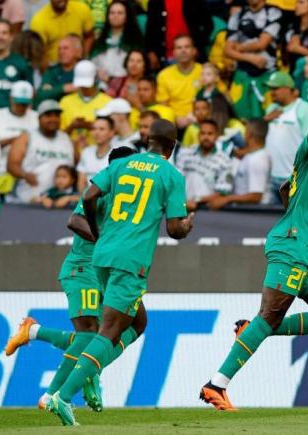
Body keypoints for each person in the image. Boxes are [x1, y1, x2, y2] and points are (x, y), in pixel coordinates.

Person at [199, 85, 308, 412]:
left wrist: (292, 205)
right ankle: (215, 385)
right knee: (270, 316)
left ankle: (254, 330)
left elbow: (283, 187)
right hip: (289, 246)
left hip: (305, 253)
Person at [45, 119, 194, 426]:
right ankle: (63, 395)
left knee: (137, 321)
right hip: (131, 260)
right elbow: (175, 229)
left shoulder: (122, 164)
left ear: (147, 139)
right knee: (110, 330)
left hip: (101, 257)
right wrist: (187, 225)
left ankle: (87, 370)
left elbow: (87, 198)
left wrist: (100, 233)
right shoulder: (171, 175)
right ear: (172, 146)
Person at [4, 145, 141, 412]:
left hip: (107, 272)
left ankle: (34, 332)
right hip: (84, 268)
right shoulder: (101, 189)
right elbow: (75, 220)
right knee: (90, 332)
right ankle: (52, 395)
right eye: (130, 166)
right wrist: (105, 244)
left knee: (102, 333)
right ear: (113, 168)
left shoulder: (132, 195)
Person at [7, 99, 73, 204]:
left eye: (57, 115)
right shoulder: (26, 137)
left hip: (59, 201)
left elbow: (75, 169)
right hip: (29, 199)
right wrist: (25, 175)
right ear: (39, 118)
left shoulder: (66, 139)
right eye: (48, 115)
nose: (53, 119)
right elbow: (11, 166)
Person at [264, 71, 308, 204]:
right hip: (270, 177)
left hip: (293, 179)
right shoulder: (271, 109)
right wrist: (265, 120)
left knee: (293, 222)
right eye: (270, 89)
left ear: (288, 89)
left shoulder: (303, 108)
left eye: (276, 88)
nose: (272, 92)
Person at [0, 80, 38, 196]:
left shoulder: (36, 117)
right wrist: (16, 139)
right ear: (11, 98)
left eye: (25, 104)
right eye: (19, 103)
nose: (22, 107)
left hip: (26, 173)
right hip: (0, 171)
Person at [176, 119, 236, 211]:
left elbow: (222, 192)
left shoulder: (225, 161)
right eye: (203, 133)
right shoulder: (185, 153)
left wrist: (196, 200)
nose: (206, 137)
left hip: (205, 211)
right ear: (198, 135)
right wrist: (184, 201)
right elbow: (175, 182)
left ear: (217, 136)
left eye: (210, 134)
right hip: (180, 207)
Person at [211, 118, 271, 208]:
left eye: (245, 130)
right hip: (246, 211)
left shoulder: (257, 160)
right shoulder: (254, 155)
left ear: (249, 134)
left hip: (254, 213)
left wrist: (227, 199)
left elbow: (256, 196)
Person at [59, 60, 112, 147]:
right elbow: (58, 135)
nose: (84, 87)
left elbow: (112, 133)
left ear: (95, 79)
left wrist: (92, 126)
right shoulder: (65, 101)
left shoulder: (108, 102)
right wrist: (72, 126)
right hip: (69, 150)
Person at [144, 0, 211, 68]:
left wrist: (198, 47)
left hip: (193, 57)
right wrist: (151, 52)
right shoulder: (155, 2)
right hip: (165, 57)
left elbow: (208, 25)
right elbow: (150, 29)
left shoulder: (195, 2)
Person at [90, 0, 143, 84]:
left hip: (125, 86)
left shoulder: (134, 41)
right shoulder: (99, 41)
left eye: (120, 13)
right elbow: (92, 62)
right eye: (112, 13)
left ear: (126, 16)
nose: (115, 16)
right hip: (100, 85)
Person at [156, 35, 202, 129]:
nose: (183, 50)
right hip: (174, 121)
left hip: (200, 119)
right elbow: (163, 104)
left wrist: (194, 117)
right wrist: (176, 119)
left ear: (194, 51)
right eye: (179, 47)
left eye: (187, 47)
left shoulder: (205, 72)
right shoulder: (164, 75)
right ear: (173, 52)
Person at [30, 0, 94, 65]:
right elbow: (39, 53)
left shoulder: (81, 9)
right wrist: (50, 72)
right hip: (53, 66)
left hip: (78, 63)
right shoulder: (39, 20)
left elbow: (89, 36)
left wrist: (84, 59)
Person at [35, 34, 82, 105]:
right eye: (59, 49)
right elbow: (41, 96)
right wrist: (63, 88)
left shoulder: (84, 69)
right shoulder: (52, 71)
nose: (61, 52)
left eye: (66, 48)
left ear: (77, 52)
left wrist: (53, 90)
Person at [77, 116, 114, 192]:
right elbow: (81, 182)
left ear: (111, 133)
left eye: (101, 129)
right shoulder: (86, 152)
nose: (97, 133)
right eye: (94, 129)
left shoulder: (118, 155)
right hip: (87, 200)